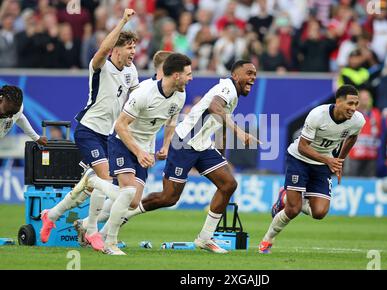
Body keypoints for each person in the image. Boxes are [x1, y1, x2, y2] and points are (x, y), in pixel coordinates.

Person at [117, 60, 260, 254]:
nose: (253, 77)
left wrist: (222, 158)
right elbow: (215, 107)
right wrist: (241, 133)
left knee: (228, 184)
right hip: (184, 142)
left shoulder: (233, 94)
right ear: (235, 75)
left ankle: (205, 238)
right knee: (169, 198)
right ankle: (123, 214)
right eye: (249, 73)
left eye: (255, 74)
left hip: (202, 145)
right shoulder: (227, 88)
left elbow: (222, 124)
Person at [39, 9, 139, 248]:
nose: (133, 52)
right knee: (104, 178)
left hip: (109, 135)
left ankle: (50, 215)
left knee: (89, 185)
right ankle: (91, 229)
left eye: (135, 47)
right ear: (116, 48)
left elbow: (135, 103)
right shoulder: (100, 65)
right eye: (129, 47)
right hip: (89, 130)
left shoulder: (132, 72)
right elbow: (103, 49)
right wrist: (123, 20)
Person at [76, 53, 192, 255]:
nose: (191, 78)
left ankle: (89, 205)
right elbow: (120, 125)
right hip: (122, 142)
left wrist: (165, 145)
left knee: (133, 201)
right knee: (127, 191)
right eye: (188, 74)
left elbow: (171, 122)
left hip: (144, 148)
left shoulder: (180, 96)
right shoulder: (144, 93)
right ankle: (109, 243)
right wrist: (138, 152)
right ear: (175, 75)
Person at [259, 85, 365, 254]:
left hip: (323, 163)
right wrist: (328, 160)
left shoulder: (358, 120)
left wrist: (339, 161)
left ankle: (286, 196)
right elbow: (302, 147)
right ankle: (267, 240)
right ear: (338, 101)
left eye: (356, 104)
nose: (353, 108)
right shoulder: (318, 115)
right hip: (299, 159)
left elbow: (352, 137)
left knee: (319, 212)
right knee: (293, 210)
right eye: (350, 103)